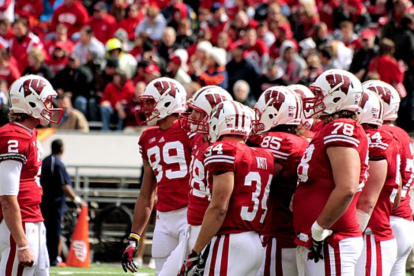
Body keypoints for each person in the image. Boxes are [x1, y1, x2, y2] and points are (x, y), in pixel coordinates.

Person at [179, 100, 274, 275]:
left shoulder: (222, 150)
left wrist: (196, 251)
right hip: (256, 241)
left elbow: (219, 208)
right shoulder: (264, 154)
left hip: (230, 241)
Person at [293, 69, 368, 275]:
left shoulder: (341, 127)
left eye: (319, 94)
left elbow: (347, 188)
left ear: (337, 97)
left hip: (331, 239)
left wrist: (318, 229)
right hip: (325, 238)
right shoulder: (329, 128)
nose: (315, 99)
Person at [158, 85, 232, 276]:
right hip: (192, 224)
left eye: (197, 113)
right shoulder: (197, 137)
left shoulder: (224, 147)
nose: (190, 118)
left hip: (211, 228)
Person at [121, 78, 192, 274]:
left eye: (151, 102)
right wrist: (134, 237)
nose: (146, 107)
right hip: (163, 217)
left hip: (191, 213)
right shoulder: (147, 138)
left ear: (168, 102)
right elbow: (146, 194)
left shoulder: (190, 129)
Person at [0, 75, 63, 275]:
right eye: (46, 101)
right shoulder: (13, 136)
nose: (50, 106)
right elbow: (7, 198)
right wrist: (21, 243)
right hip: (20, 222)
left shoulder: (29, 133)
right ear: (30, 102)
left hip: (34, 217)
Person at [252, 86, 309, 276]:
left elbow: (260, 178)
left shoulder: (278, 141)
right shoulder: (303, 141)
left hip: (278, 233)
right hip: (295, 232)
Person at [364, 80, 414, 276]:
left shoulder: (380, 134)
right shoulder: (401, 133)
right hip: (405, 220)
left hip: (388, 219)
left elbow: (392, 179)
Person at [354, 89, 400, 276]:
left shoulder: (374, 139)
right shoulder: (385, 137)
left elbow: (367, 201)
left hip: (371, 236)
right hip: (376, 232)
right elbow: (396, 197)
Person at [40, 139, 86, 266]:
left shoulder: (46, 161)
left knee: (46, 230)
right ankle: (53, 258)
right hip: (54, 203)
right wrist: (77, 200)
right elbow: (64, 185)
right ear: (61, 148)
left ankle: (48, 256)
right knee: (54, 231)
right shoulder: (58, 163)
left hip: (43, 201)